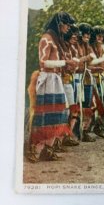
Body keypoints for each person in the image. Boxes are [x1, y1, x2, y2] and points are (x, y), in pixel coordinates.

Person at [27, 12, 79, 163]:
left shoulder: (57, 40)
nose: (68, 28)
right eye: (66, 24)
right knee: (42, 116)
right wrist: (65, 63)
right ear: (58, 24)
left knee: (58, 115)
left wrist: (68, 64)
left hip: (56, 79)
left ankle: (47, 150)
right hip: (47, 80)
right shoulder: (47, 38)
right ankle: (32, 150)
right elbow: (43, 62)